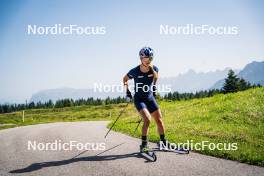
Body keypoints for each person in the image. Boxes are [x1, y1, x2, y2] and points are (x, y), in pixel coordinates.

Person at [123, 47, 169, 152]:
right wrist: (128, 92)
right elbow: (124, 79)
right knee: (147, 120)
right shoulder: (134, 71)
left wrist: (154, 87)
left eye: (151, 58)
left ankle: (163, 142)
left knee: (159, 120)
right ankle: (143, 145)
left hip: (150, 98)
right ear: (141, 58)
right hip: (139, 99)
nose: (149, 60)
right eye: (147, 58)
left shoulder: (154, 68)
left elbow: (156, 77)